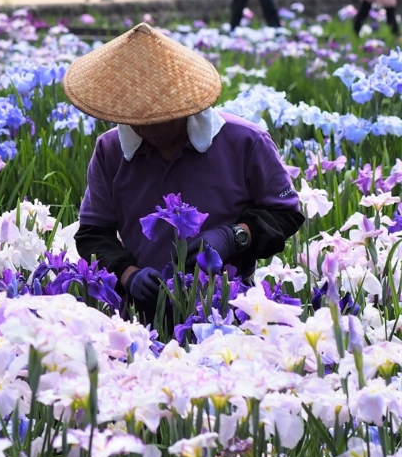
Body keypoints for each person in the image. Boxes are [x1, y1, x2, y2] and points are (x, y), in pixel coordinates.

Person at [65, 23, 303, 324]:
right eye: (135, 118)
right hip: (142, 318)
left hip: (227, 311)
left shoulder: (244, 142)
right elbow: (93, 234)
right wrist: (128, 275)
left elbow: (286, 215)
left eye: (158, 118)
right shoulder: (111, 149)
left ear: (184, 105)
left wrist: (234, 237)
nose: (145, 129)